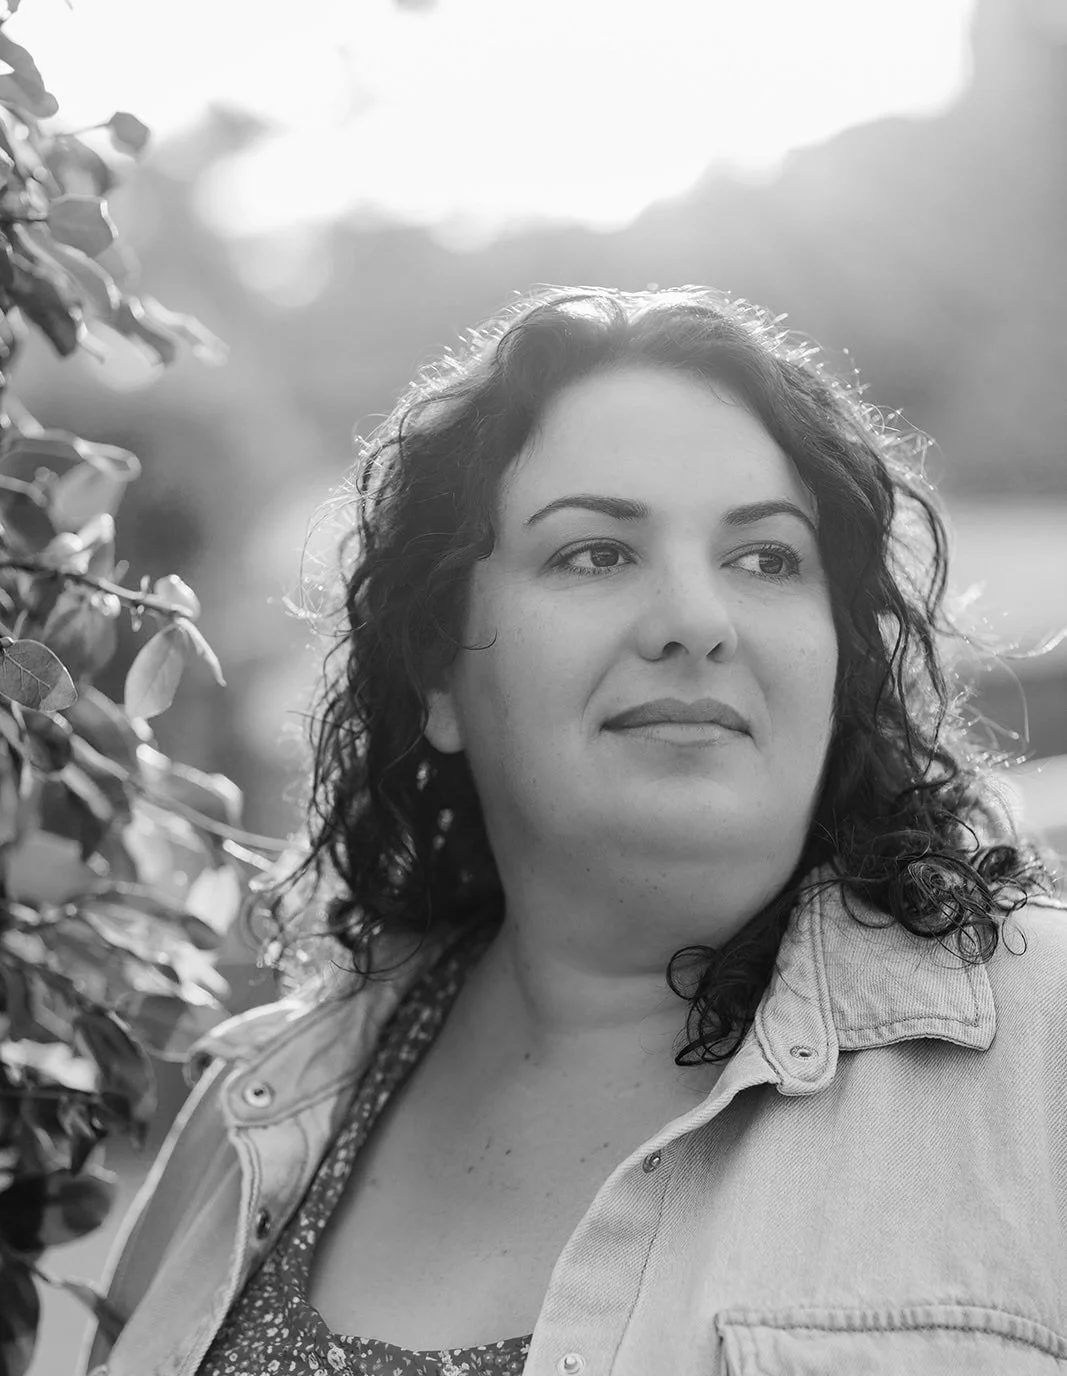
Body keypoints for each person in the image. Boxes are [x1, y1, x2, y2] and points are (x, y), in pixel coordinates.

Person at [82, 286, 1067, 1376]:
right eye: (595, 553)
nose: (696, 619)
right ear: (436, 672)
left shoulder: (1042, 1056)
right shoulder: (246, 1115)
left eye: (766, 558)